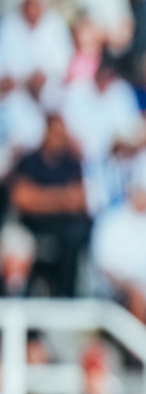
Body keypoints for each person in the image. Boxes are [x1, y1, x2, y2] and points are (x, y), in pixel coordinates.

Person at [11, 115, 92, 297]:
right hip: (32, 226)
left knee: (77, 235)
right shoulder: (30, 161)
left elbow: (79, 198)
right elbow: (22, 199)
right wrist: (61, 199)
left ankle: (66, 297)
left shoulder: (71, 163)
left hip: (65, 228)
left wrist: (41, 197)